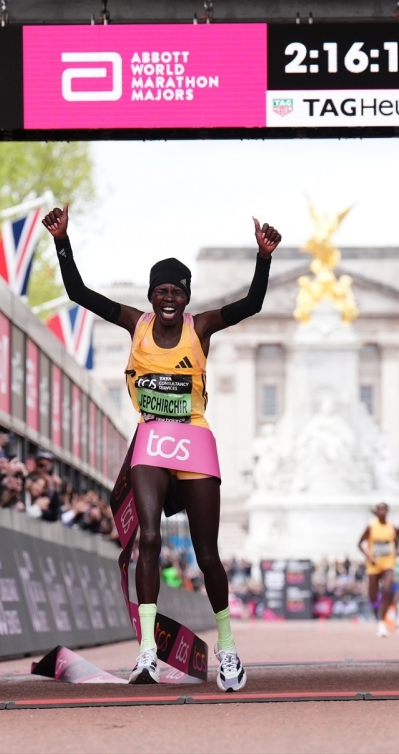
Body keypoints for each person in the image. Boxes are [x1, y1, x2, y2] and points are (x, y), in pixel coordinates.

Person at [43, 203, 281, 692]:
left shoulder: (203, 326)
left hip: (193, 438)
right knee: (147, 539)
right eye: (161, 293)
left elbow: (252, 305)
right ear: (151, 297)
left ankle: (228, 648)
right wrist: (62, 242)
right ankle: (148, 652)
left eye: (176, 292)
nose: (168, 300)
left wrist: (264, 259)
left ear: (186, 297)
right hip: (152, 435)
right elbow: (79, 293)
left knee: (207, 551)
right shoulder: (136, 324)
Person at [358, 502, 398, 638]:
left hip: (388, 563)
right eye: (380, 509)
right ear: (377, 511)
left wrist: (397, 554)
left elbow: (396, 543)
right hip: (374, 564)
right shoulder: (371, 525)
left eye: (384, 509)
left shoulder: (391, 526)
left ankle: (382, 620)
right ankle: (378, 615)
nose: (382, 512)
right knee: (373, 595)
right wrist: (369, 556)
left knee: (387, 589)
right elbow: (359, 544)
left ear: (387, 511)